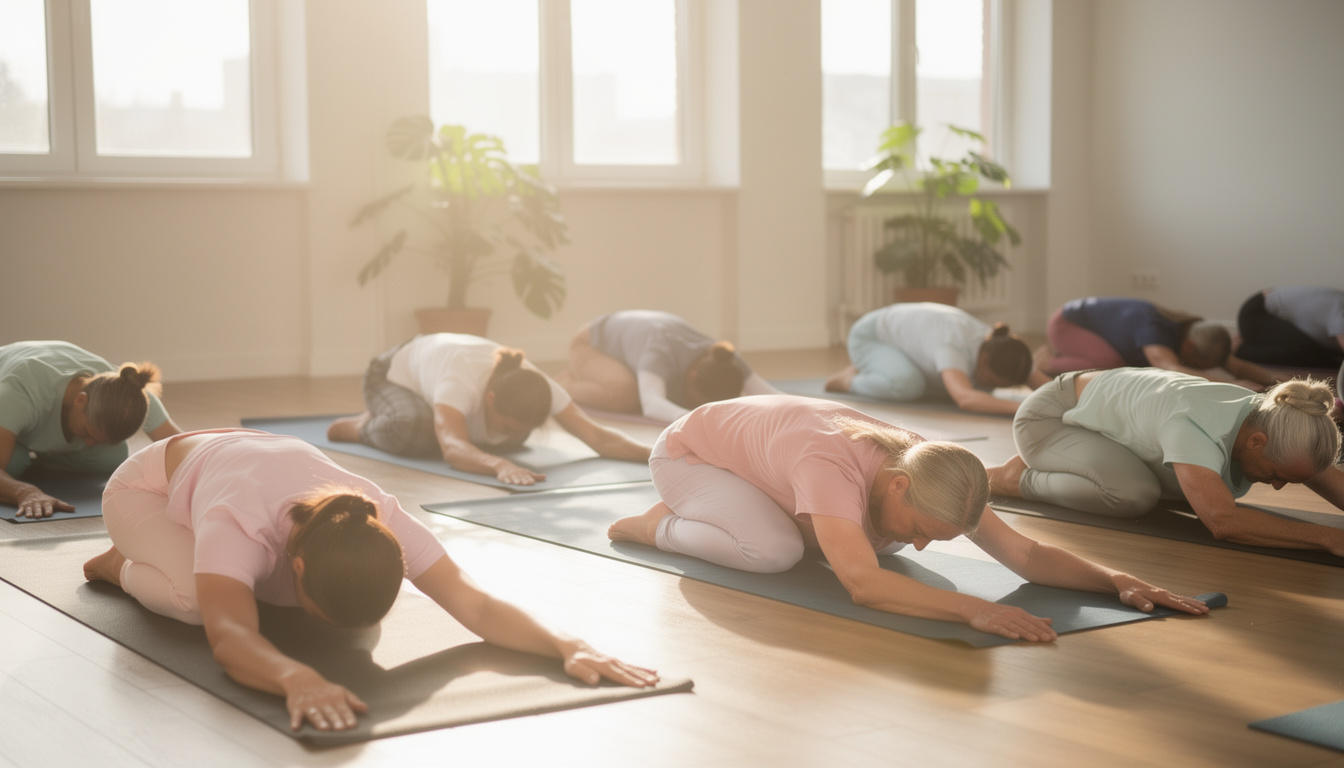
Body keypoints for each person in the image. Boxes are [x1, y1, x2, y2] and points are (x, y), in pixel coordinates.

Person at [82, 429, 659, 732]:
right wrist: (295, 677)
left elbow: (475, 606)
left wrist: (568, 645)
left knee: (271, 599)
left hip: (247, 461)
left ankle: (196, 563)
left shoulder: (377, 512)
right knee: (192, 603)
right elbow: (230, 636)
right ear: (300, 564)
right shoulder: (238, 521)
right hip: (149, 487)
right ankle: (119, 562)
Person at [608, 395, 1208, 641]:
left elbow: (1023, 555)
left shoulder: (937, 472)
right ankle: (656, 523)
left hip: (766, 463)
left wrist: (1118, 579)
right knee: (774, 554)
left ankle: (731, 511)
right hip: (692, 455)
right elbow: (863, 587)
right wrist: (976, 608)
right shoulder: (829, 464)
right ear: (897, 483)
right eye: (922, 528)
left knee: (883, 548)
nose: (922, 547)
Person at [988, 368, 1344, 555]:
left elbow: (1315, 471)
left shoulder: (1277, 417)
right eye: (1277, 475)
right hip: (1050, 418)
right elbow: (1224, 522)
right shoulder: (1195, 425)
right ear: (1256, 442)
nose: (1279, 485)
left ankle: (1072, 460)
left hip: (1105, 420)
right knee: (1133, 495)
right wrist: (1329, 538)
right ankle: (1015, 477)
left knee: (1177, 485)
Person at [328, 333, 651, 486]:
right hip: (392, 376)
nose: (514, 432)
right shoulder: (461, 377)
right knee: (416, 431)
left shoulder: (539, 387)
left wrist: (658, 453)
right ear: (492, 398)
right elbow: (454, 449)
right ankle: (361, 425)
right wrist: (499, 465)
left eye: (521, 426)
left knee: (506, 441)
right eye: (508, 423)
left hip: (442, 392)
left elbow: (598, 437)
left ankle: (440, 415)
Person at [0, 340, 182, 518]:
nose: (88, 443)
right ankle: (22, 454)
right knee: (14, 462)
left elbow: (183, 446)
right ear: (81, 400)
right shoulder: (19, 393)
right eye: (87, 432)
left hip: (28, 417)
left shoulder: (130, 395)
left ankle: (34, 457)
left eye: (95, 439)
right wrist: (25, 492)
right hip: (13, 392)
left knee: (112, 456)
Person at [824, 302, 1051, 415]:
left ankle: (879, 366)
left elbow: (1050, 389)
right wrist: (1023, 408)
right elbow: (965, 399)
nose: (988, 385)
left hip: (907, 345)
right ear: (985, 359)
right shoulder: (953, 342)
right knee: (908, 386)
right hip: (872, 337)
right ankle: (849, 379)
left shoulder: (1006, 348)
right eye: (991, 380)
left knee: (978, 393)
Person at [556, 309, 783, 423]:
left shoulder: (727, 359)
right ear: (691, 377)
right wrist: (699, 421)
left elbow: (769, 394)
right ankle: (565, 384)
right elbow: (651, 404)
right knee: (626, 395)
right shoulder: (659, 352)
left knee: (655, 389)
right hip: (590, 344)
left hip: (633, 343)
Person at [1040, 296, 1278, 388]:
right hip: (1065, 324)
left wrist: (1277, 380)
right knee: (1110, 363)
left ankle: (1063, 358)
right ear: (1189, 347)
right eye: (1200, 364)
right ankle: (1047, 362)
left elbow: (1235, 366)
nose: (1200, 369)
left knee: (1117, 362)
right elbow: (1172, 369)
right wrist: (1234, 386)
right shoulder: (1154, 332)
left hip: (1082, 325)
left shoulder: (1190, 332)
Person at [1236, 286, 1344, 369]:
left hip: (1280, 318)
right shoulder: (1340, 311)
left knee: (1328, 359)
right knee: (1303, 351)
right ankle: (1238, 350)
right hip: (1256, 314)